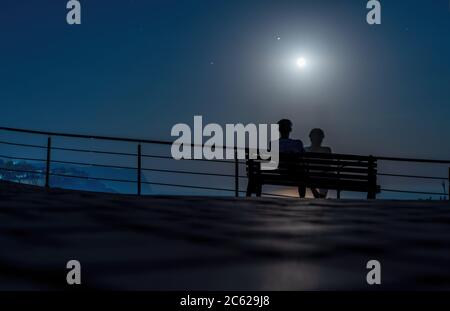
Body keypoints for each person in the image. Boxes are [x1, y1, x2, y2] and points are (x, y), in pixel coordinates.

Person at [305, 128, 332, 198]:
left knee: (325, 174)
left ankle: (316, 194)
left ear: (310, 138)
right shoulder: (327, 150)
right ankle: (322, 196)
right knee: (326, 174)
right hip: (322, 176)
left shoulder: (305, 150)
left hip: (308, 177)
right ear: (322, 138)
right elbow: (328, 165)